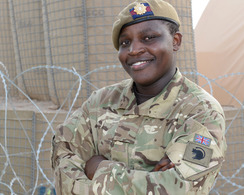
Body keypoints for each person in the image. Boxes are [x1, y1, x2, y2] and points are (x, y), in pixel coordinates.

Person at [51, 0, 227, 194]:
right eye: (125, 42)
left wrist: (99, 168)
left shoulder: (199, 111)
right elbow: (62, 155)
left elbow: (178, 189)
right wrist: (147, 179)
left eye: (149, 37)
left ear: (175, 41)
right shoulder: (100, 102)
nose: (134, 50)